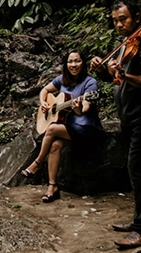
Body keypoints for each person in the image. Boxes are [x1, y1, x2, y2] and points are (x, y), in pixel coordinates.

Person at [90, 0, 141, 249]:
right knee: (139, 172)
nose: (118, 24)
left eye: (122, 19)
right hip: (132, 118)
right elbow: (116, 80)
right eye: (114, 20)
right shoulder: (128, 43)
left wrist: (122, 72)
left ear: (137, 17)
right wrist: (102, 69)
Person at [21, 50, 103, 203]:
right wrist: (43, 102)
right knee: (55, 146)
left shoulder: (90, 83)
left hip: (87, 129)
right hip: (70, 128)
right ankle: (53, 187)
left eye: (77, 61)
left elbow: (83, 110)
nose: (74, 65)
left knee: (51, 129)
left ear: (83, 63)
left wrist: (77, 107)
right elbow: (44, 90)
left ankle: (37, 163)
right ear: (66, 64)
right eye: (70, 62)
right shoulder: (62, 80)